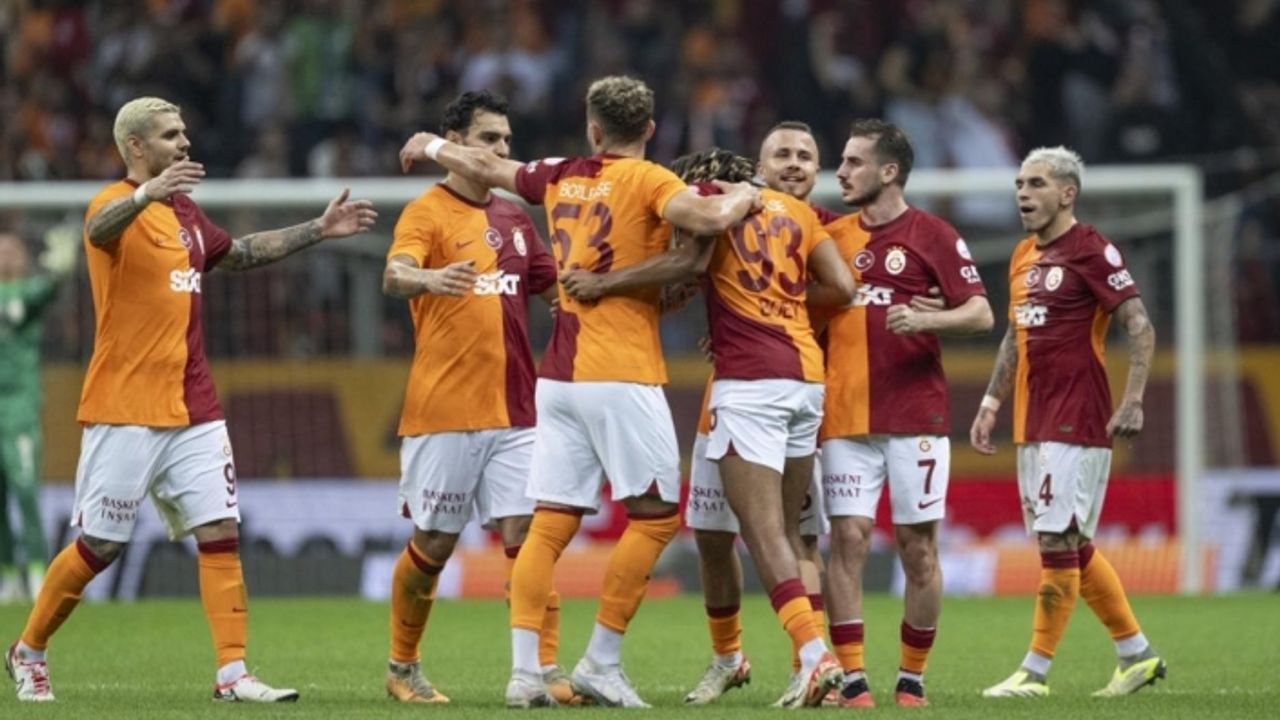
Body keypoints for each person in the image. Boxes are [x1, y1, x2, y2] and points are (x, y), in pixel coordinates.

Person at [399, 75, 761, 708]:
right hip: (620, 370)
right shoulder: (650, 179)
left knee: (547, 525)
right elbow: (707, 217)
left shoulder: (559, 174)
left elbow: (490, 167)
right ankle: (601, 661)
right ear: (650, 130)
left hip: (558, 376)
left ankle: (524, 675)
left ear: (593, 129)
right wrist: (748, 195)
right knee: (657, 518)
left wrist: (430, 145)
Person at [4, 96, 376, 703]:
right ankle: (29, 649)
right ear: (136, 147)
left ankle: (233, 673)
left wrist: (319, 229)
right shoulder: (112, 205)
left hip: (195, 406)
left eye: (184, 132)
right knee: (101, 545)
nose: (184, 142)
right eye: (170, 134)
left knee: (221, 530)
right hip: (125, 406)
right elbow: (98, 230)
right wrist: (146, 196)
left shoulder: (187, 214)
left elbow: (240, 254)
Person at [560, 146, 856, 707]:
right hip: (805, 380)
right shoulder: (798, 212)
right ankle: (740, 658)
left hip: (751, 385)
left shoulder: (710, 203)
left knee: (763, 533)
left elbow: (687, 265)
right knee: (761, 532)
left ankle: (814, 657)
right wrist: (781, 306)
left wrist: (601, 285)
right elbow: (842, 286)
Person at [381, 90, 575, 705]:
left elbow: (555, 290)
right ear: (457, 141)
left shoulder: (515, 218)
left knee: (529, 538)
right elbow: (394, 274)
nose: (502, 149)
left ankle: (544, 670)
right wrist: (430, 277)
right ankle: (402, 666)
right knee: (435, 544)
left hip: (518, 409)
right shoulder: (425, 213)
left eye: (507, 140)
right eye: (491, 138)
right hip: (445, 409)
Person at [975, 146, 1167, 698]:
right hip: (1031, 419)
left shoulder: (1092, 249)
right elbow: (1014, 335)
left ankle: (1034, 672)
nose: (1022, 193)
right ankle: (1137, 655)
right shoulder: (1021, 255)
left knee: (1058, 539)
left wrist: (1133, 400)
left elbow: (1140, 324)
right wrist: (990, 403)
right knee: (1068, 541)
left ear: (1067, 193)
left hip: (1077, 416)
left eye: (1035, 184)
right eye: (1019, 184)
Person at [819, 119, 994, 708]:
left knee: (917, 548)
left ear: (889, 171)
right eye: (842, 161)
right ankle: (853, 679)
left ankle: (911, 678)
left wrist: (926, 319)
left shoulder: (933, 235)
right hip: (844, 417)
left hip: (915, 418)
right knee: (848, 541)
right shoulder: (830, 237)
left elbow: (980, 314)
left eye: (854, 162)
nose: (841, 171)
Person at [680, 122, 841, 706]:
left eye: (805, 155)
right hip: (748, 389)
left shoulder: (821, 222)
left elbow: (843, 292)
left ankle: (812, 659)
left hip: (764, 387)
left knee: (787, 534)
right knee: (712, 534)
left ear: (818, 171)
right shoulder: (750, 208)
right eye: (783, 154)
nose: (794, 163)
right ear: (760, 165)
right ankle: (729, 657)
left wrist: (777, 311)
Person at [0, 225, 77, 604]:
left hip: (19, 408)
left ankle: (36, 573)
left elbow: (50, 288)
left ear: (23, 257)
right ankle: (8, 577)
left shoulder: (28, 292)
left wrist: (60, 268)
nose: (5, 256)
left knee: (26, 491)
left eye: (11, 250)